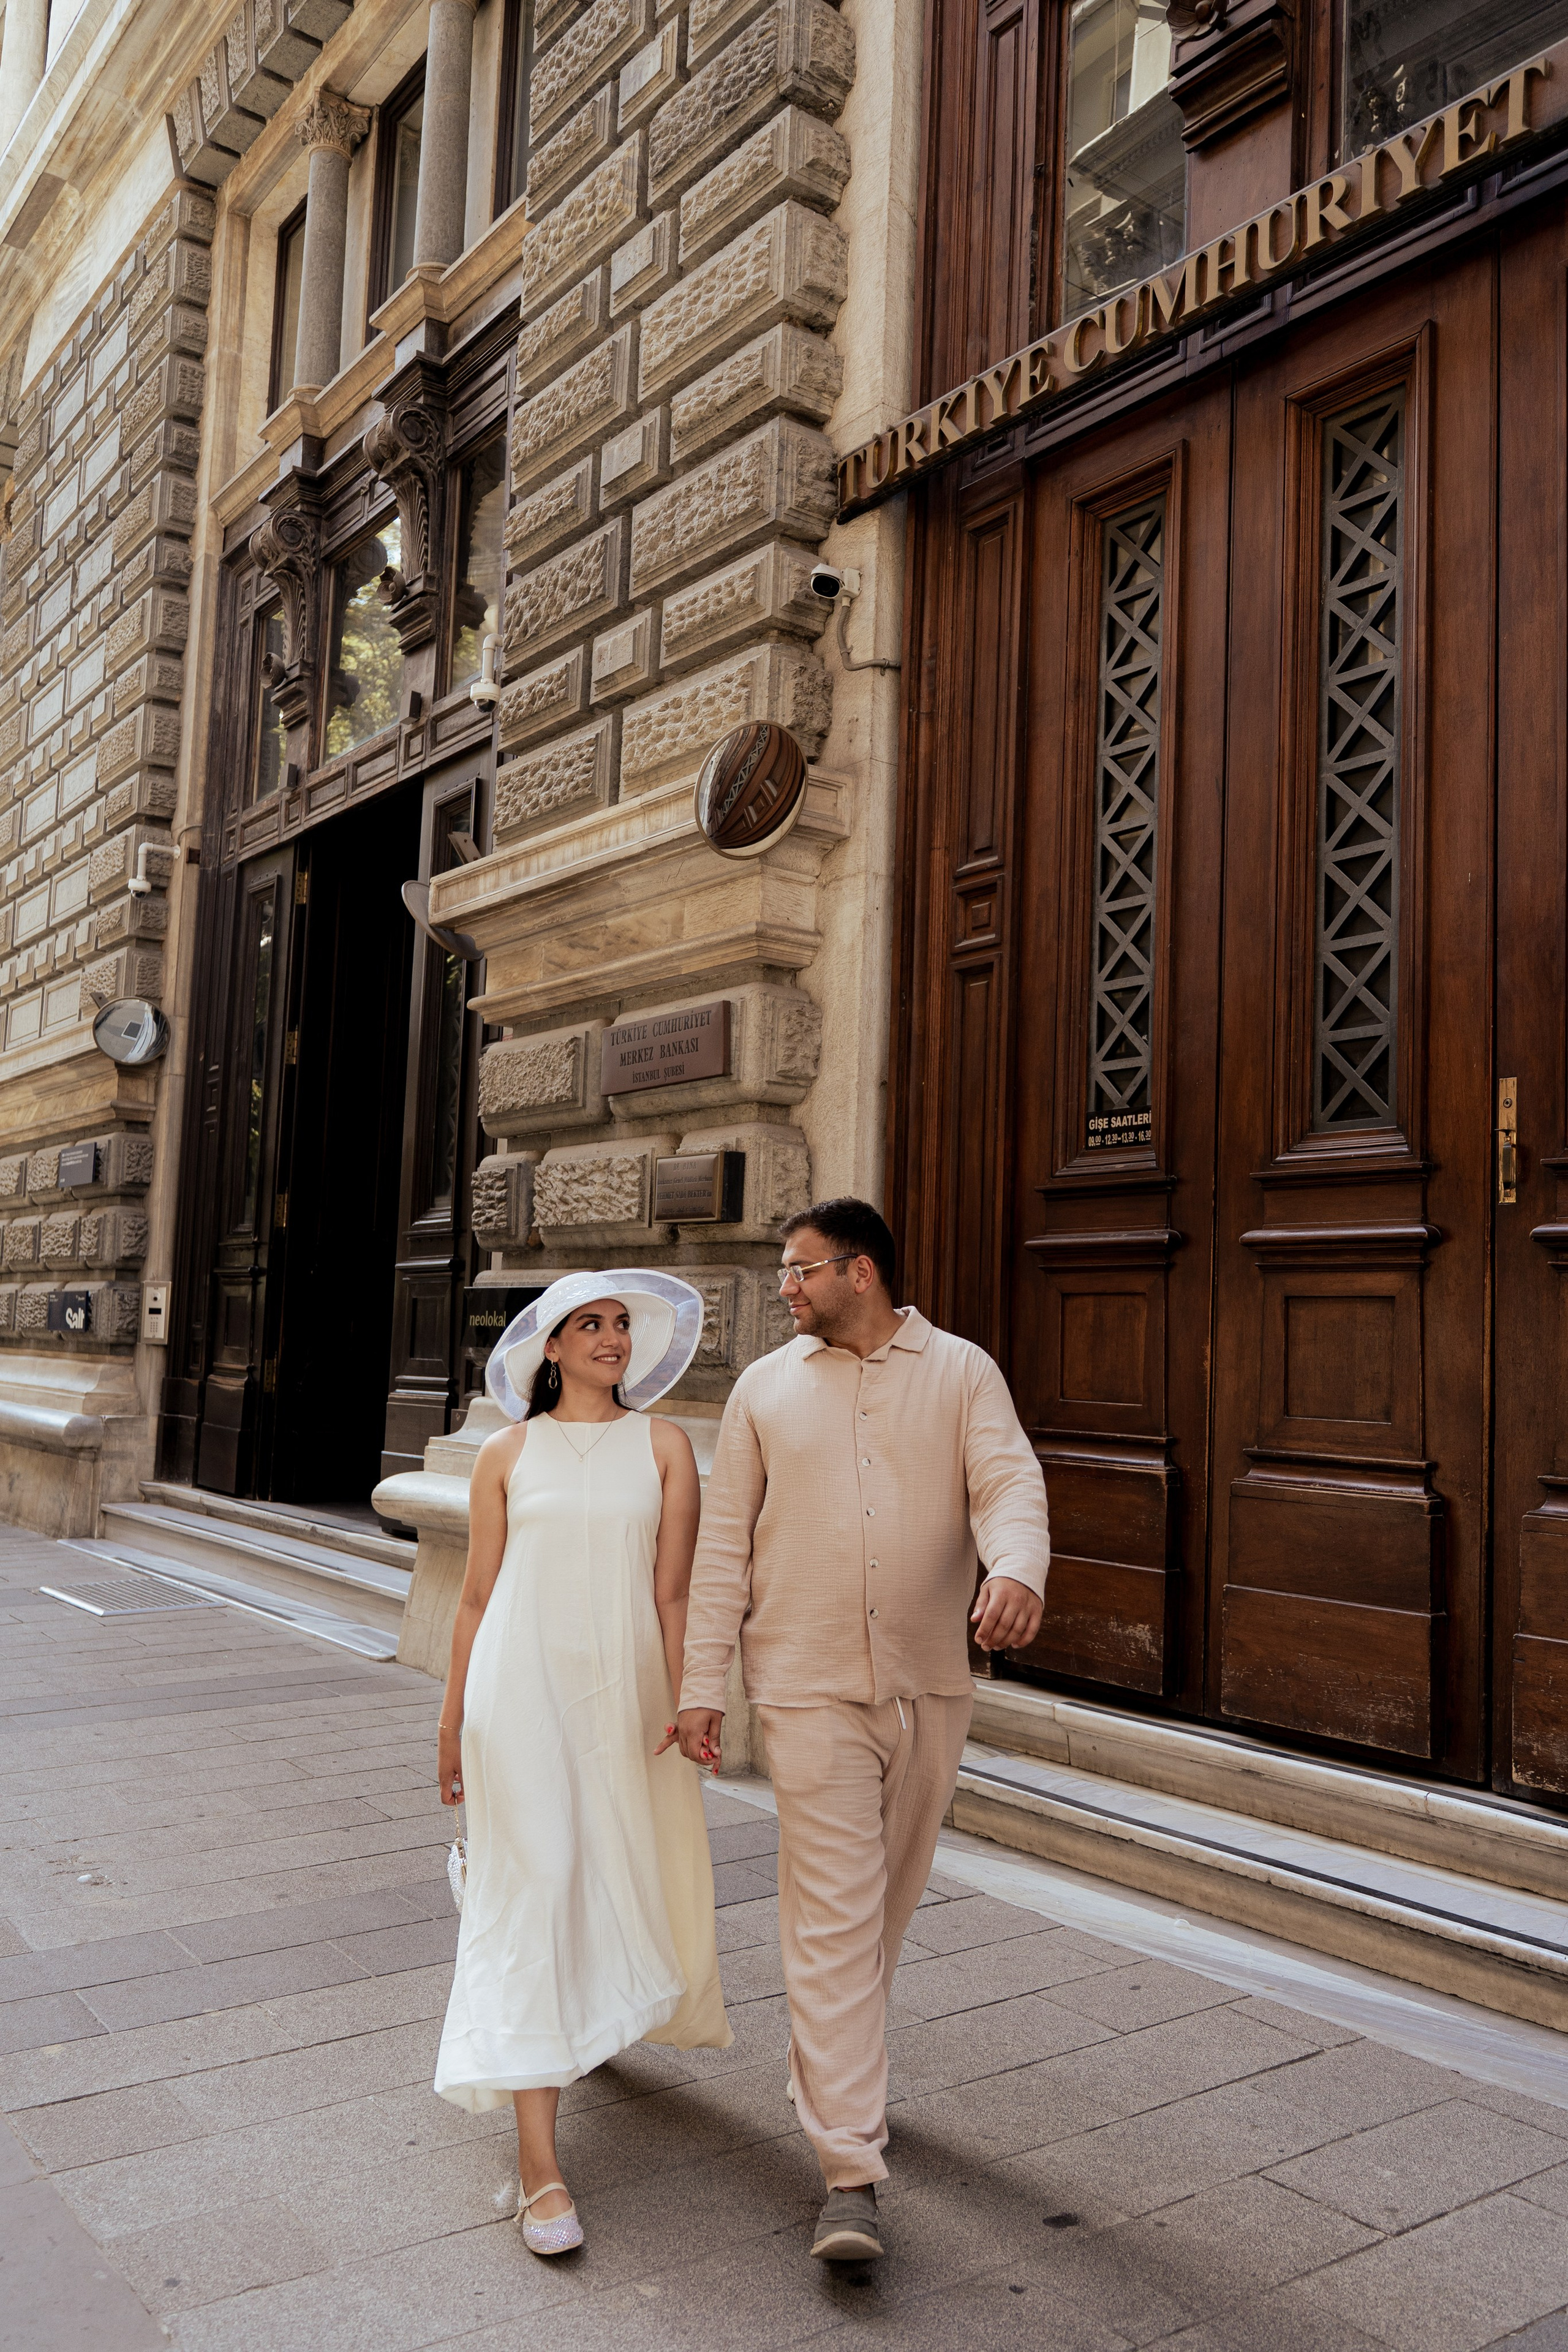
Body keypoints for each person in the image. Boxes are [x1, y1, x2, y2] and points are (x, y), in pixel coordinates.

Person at [676, 1199, 1048, 2263]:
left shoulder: (963, 1372)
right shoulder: (763, 1390)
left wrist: (1017, 1569)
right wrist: (706, 1683)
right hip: (804, 1690)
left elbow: (1008, 1482)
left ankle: (841, 2065)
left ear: (864, 1272)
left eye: (800, 1271)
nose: (784, 1288)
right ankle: (849, 2167)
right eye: (784, 1272)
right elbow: (721, 1553)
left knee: (886, 1902)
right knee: (835, 1911)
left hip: (931, 1685)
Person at [434, 1269, 731, 2256]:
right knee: (546, 1881)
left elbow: (675, 1592)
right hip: (517, 1697)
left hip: (625, 1703)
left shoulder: (666, 1446)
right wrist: (450, 1722)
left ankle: (568, 2006)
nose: (611, 1337)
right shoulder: (508, 1454)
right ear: (549, 1349)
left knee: (610, 1874)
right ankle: (539, 2168)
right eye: (589, 1324)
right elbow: (475, 1599)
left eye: (622, 1324)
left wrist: (695, 1695)